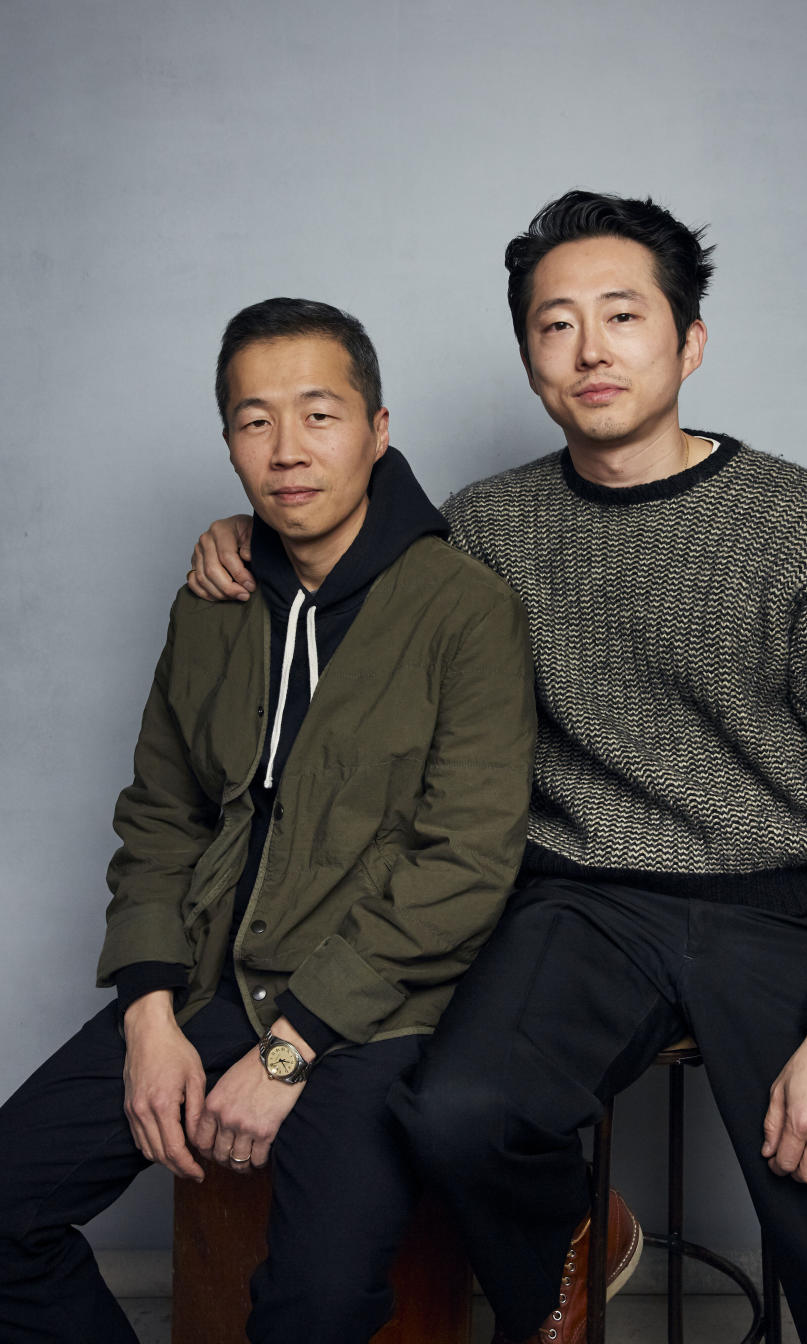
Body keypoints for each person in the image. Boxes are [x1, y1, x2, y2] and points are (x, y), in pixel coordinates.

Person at [186, 195, 807, 1344]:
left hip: (780, 913)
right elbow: (345, 547)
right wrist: (242, 536)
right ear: (531, 362)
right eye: (555, 326)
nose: (590, 349)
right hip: (579, 902)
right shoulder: (487, 527)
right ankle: (569, 1240)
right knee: (453, 1113)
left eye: (622, 315)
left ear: (687, 342)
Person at [0, 297, 535, 1344]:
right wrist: (149, 1016)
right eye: (254, 421)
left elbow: (466, 862)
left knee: (316, 1306)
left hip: (377, 1012)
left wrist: (291, 1052)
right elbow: (161, 818)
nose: (287, 450)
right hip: (207, 982)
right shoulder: (214, 597)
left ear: (380, 430)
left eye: (320, 415)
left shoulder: (464, 607)